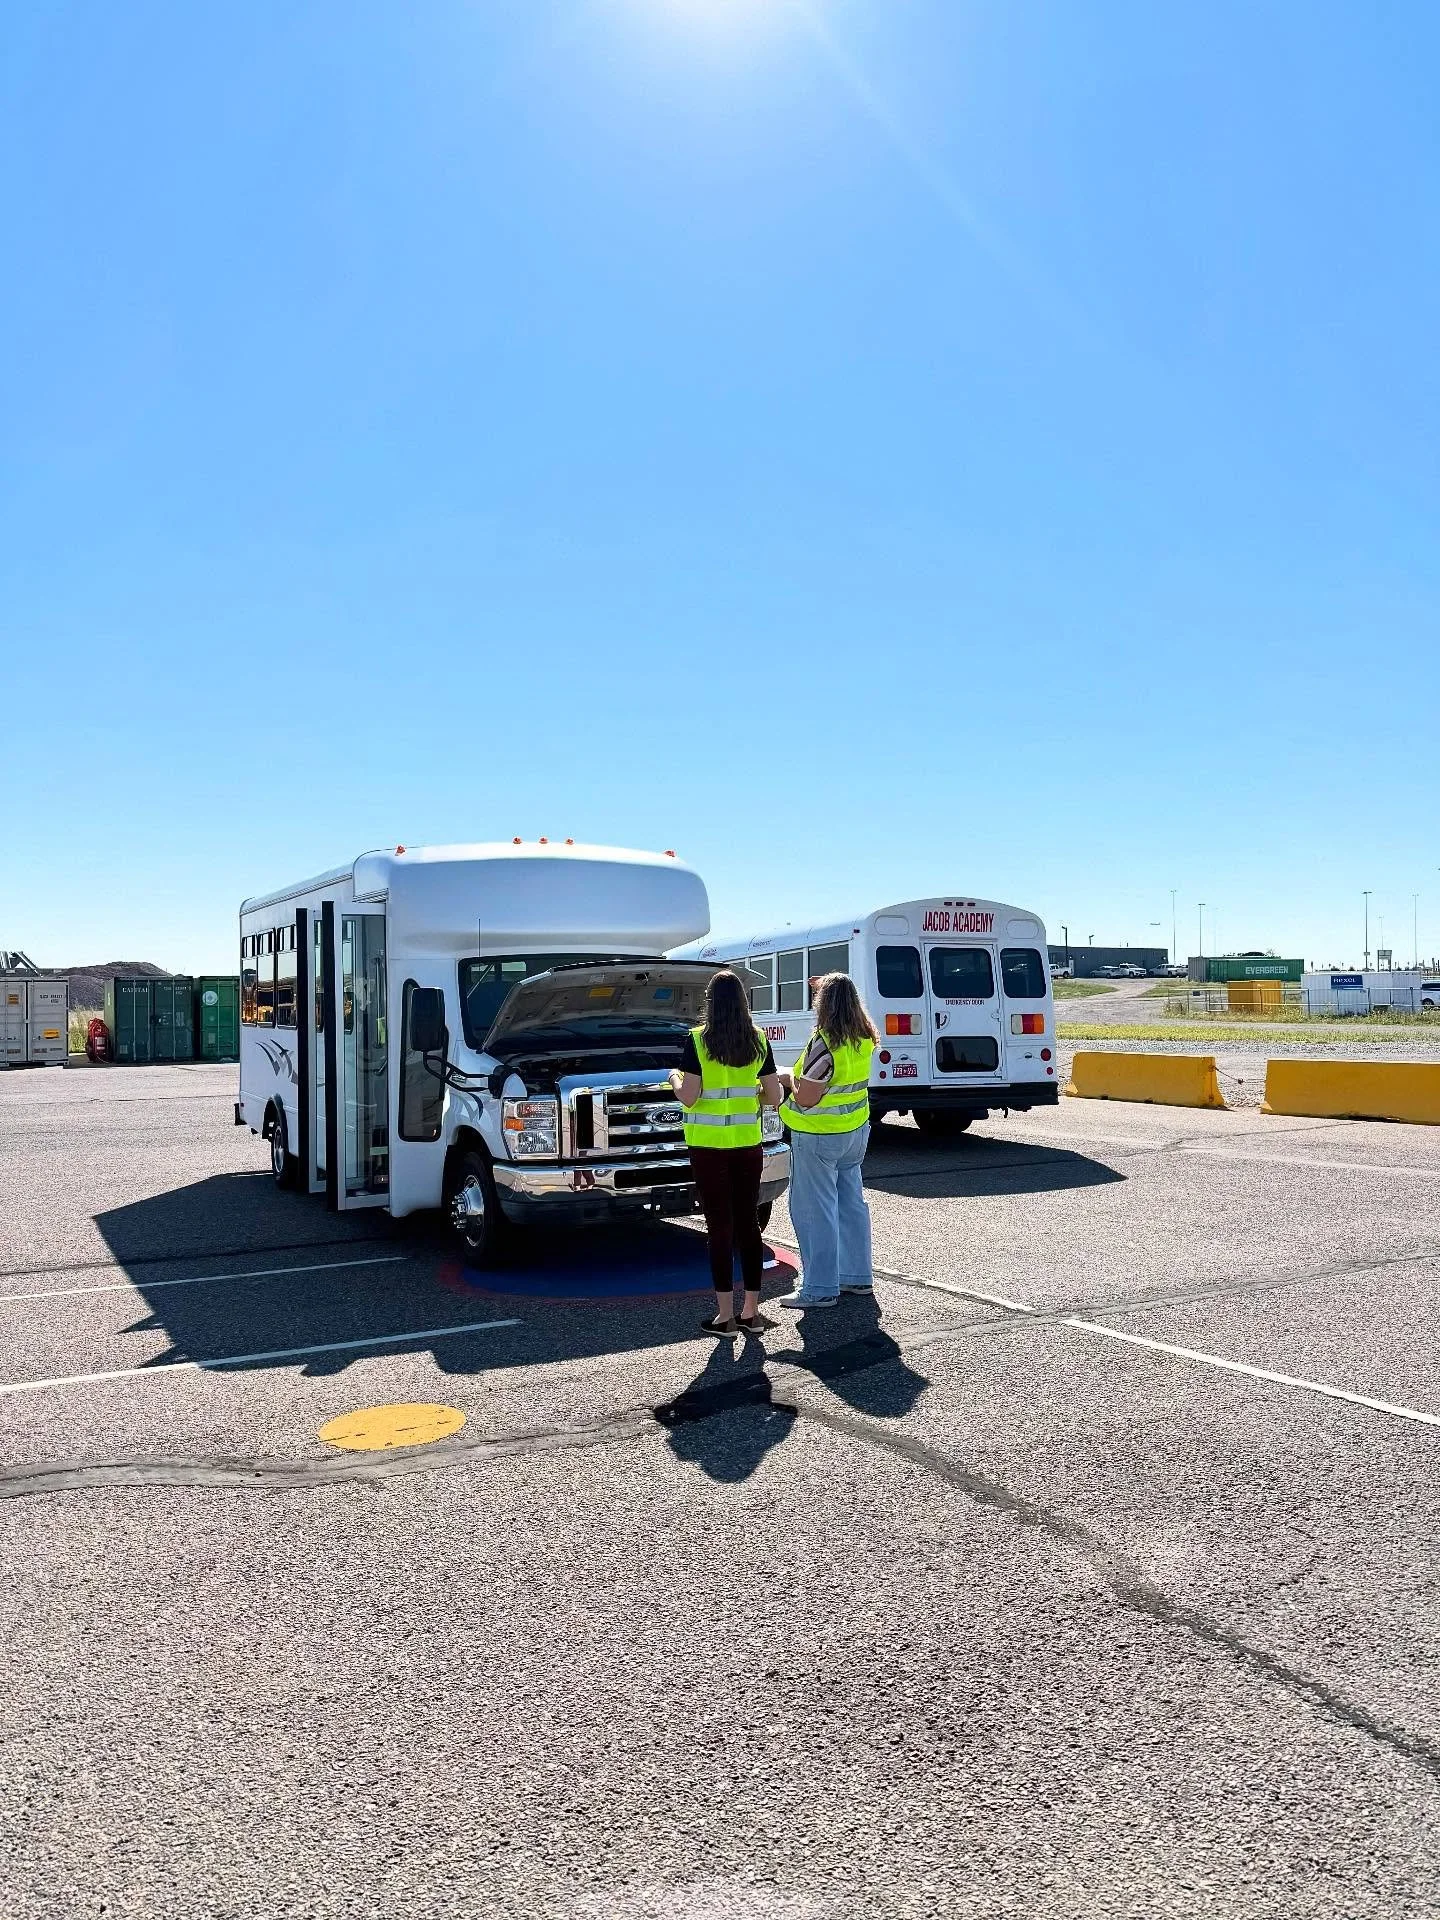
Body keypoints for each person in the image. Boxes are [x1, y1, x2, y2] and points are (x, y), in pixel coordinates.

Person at [670, 969, 784, 1339]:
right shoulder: (758, 1040)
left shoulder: (698, 1041)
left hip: (708, 1148)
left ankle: (724, 1317)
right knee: (748, 1225)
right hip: (747, 1145)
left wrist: (672, 1077)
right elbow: (775, 1096)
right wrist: (751, 1092)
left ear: (710, 1002)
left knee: (719, 1227)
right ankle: (751, 1311)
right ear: (743, 1002)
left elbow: (689, 1095)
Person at [774, 971, 877, 1309]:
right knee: (851, 1205)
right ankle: (856, 1277)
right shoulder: (864, 1037)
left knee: (814, 1211)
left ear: (824, 1006)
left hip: (819, 1138)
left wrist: (788, 1078)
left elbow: (807, 1098)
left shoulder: (825, 1041)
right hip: (855, 1133)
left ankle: (818, 1288)